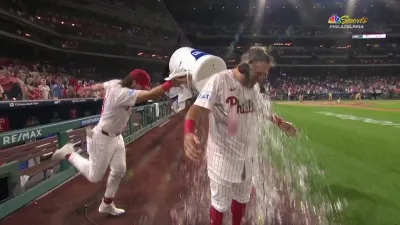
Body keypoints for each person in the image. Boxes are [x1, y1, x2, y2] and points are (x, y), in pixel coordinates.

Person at [183, 47, 297, 225]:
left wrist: (280, 123)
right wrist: (189, 133)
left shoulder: (254, 87)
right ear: (245, 67)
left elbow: (263, 110)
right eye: (259, 73)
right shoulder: (219, 81)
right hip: (222, 157)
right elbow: (195, 110)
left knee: (242, 200)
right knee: (220, 204)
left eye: (264, 74)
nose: (262, 78)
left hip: (248, 158)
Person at [51, 69, 186, 216]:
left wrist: (90, 88)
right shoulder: (121, 93)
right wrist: (170, 83)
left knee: (119, 169)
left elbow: (101, 85)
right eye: (141, 86)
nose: (142, 89)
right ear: (133, 82)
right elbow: (150, 94)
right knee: (94, 176)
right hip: (102, 137)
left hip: (116, 137)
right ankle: (69, 153)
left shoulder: (115, 83)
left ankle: (106, 205)